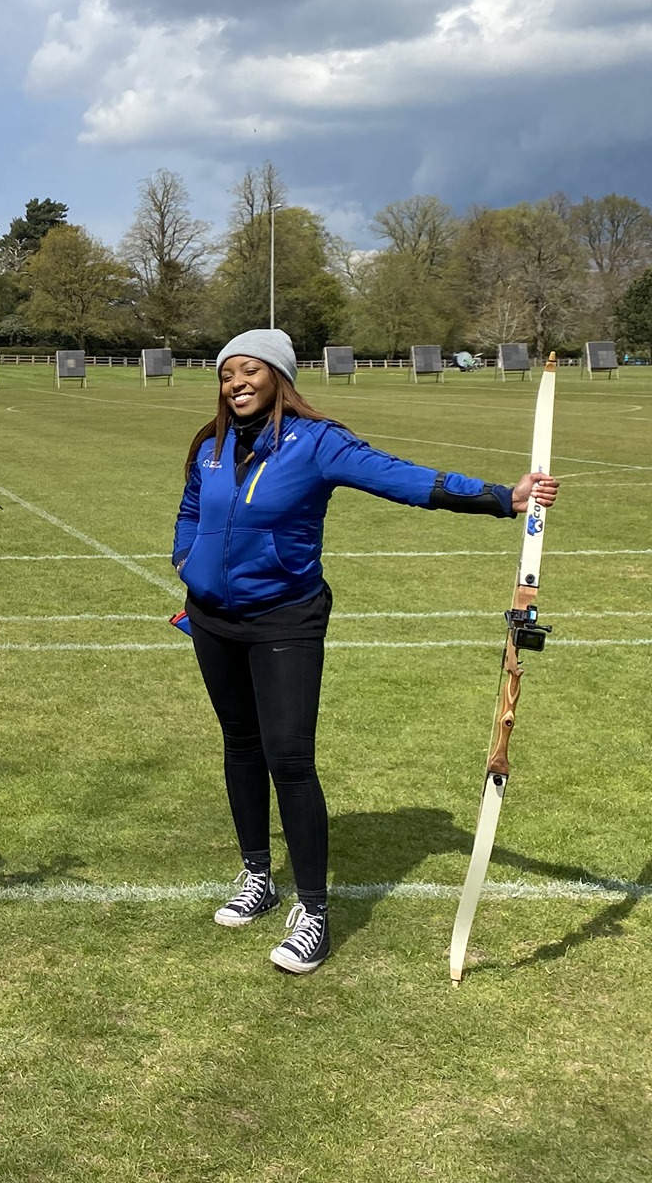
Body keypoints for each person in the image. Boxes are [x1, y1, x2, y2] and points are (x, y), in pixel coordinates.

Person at [174, 330, 558, 974]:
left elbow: (399, 478)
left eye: (249, 372)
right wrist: (187, 559)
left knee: (289, 758)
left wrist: (502, 498)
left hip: (285, 619)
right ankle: (257, 877)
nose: (236, 383)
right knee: (239, 744)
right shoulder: (209, 446)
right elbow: (191, 510)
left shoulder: (318, 443)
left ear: (277, 378)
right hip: (212, 619)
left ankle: (315, 914)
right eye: (226, 375)